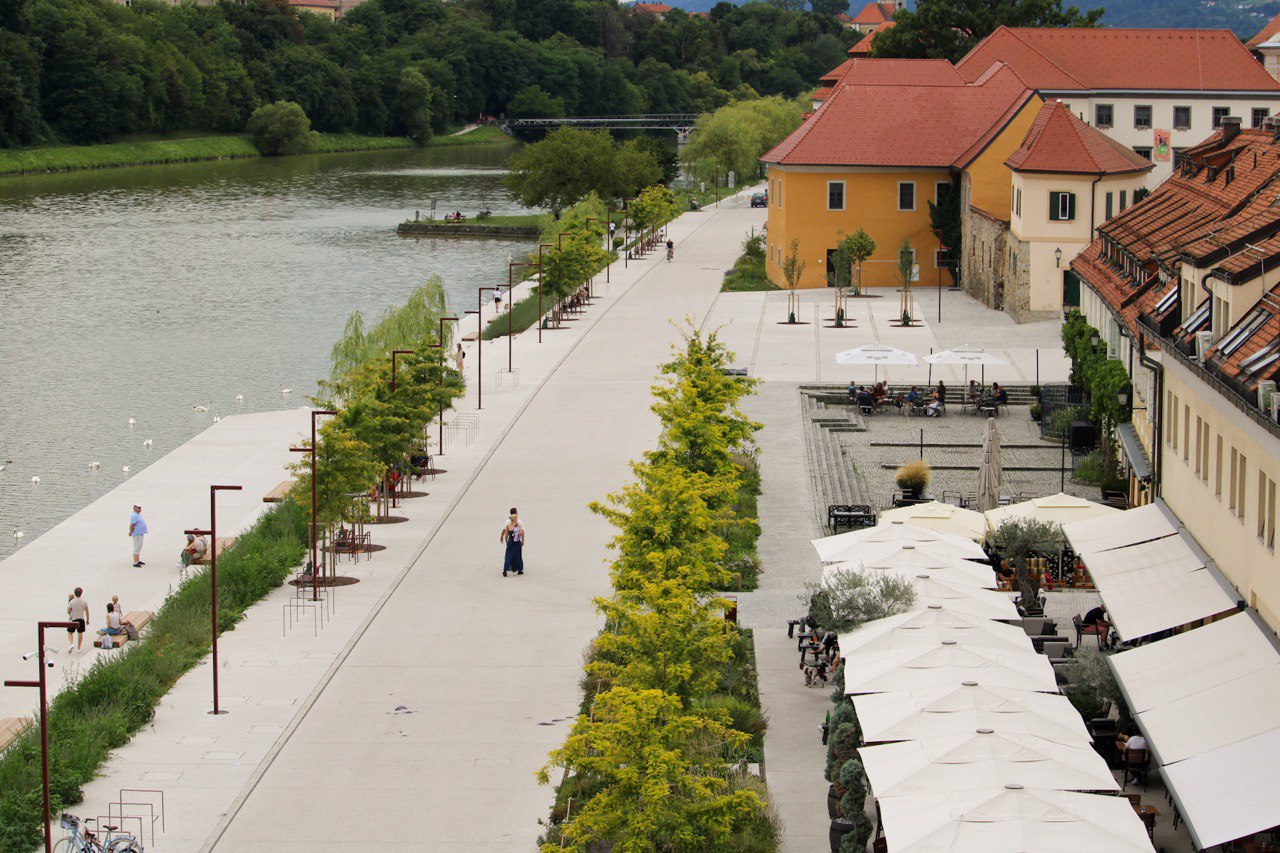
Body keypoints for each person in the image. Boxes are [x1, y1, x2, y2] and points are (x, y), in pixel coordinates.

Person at [500, 508, 525, 577]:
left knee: (508, 556)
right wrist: (522, 541)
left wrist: (506, 542)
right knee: (518, 556)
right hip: (516, 543)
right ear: (515, 519)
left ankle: (505, 571)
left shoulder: (508, 526)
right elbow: (521, 533)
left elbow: (506, 534)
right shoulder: (518, 525)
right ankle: (519, 570)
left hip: (510, 543)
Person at [66, 587, 89, 653]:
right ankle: (78, 648)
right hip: (81, 619)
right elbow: (87, 611)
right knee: (80, 634)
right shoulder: (84, 602)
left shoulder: (72, 602)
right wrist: (87, 619)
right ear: (81, 593)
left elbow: (68, 611)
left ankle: (71, 644)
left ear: (74, 593)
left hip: (73, 619)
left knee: (70, 633)